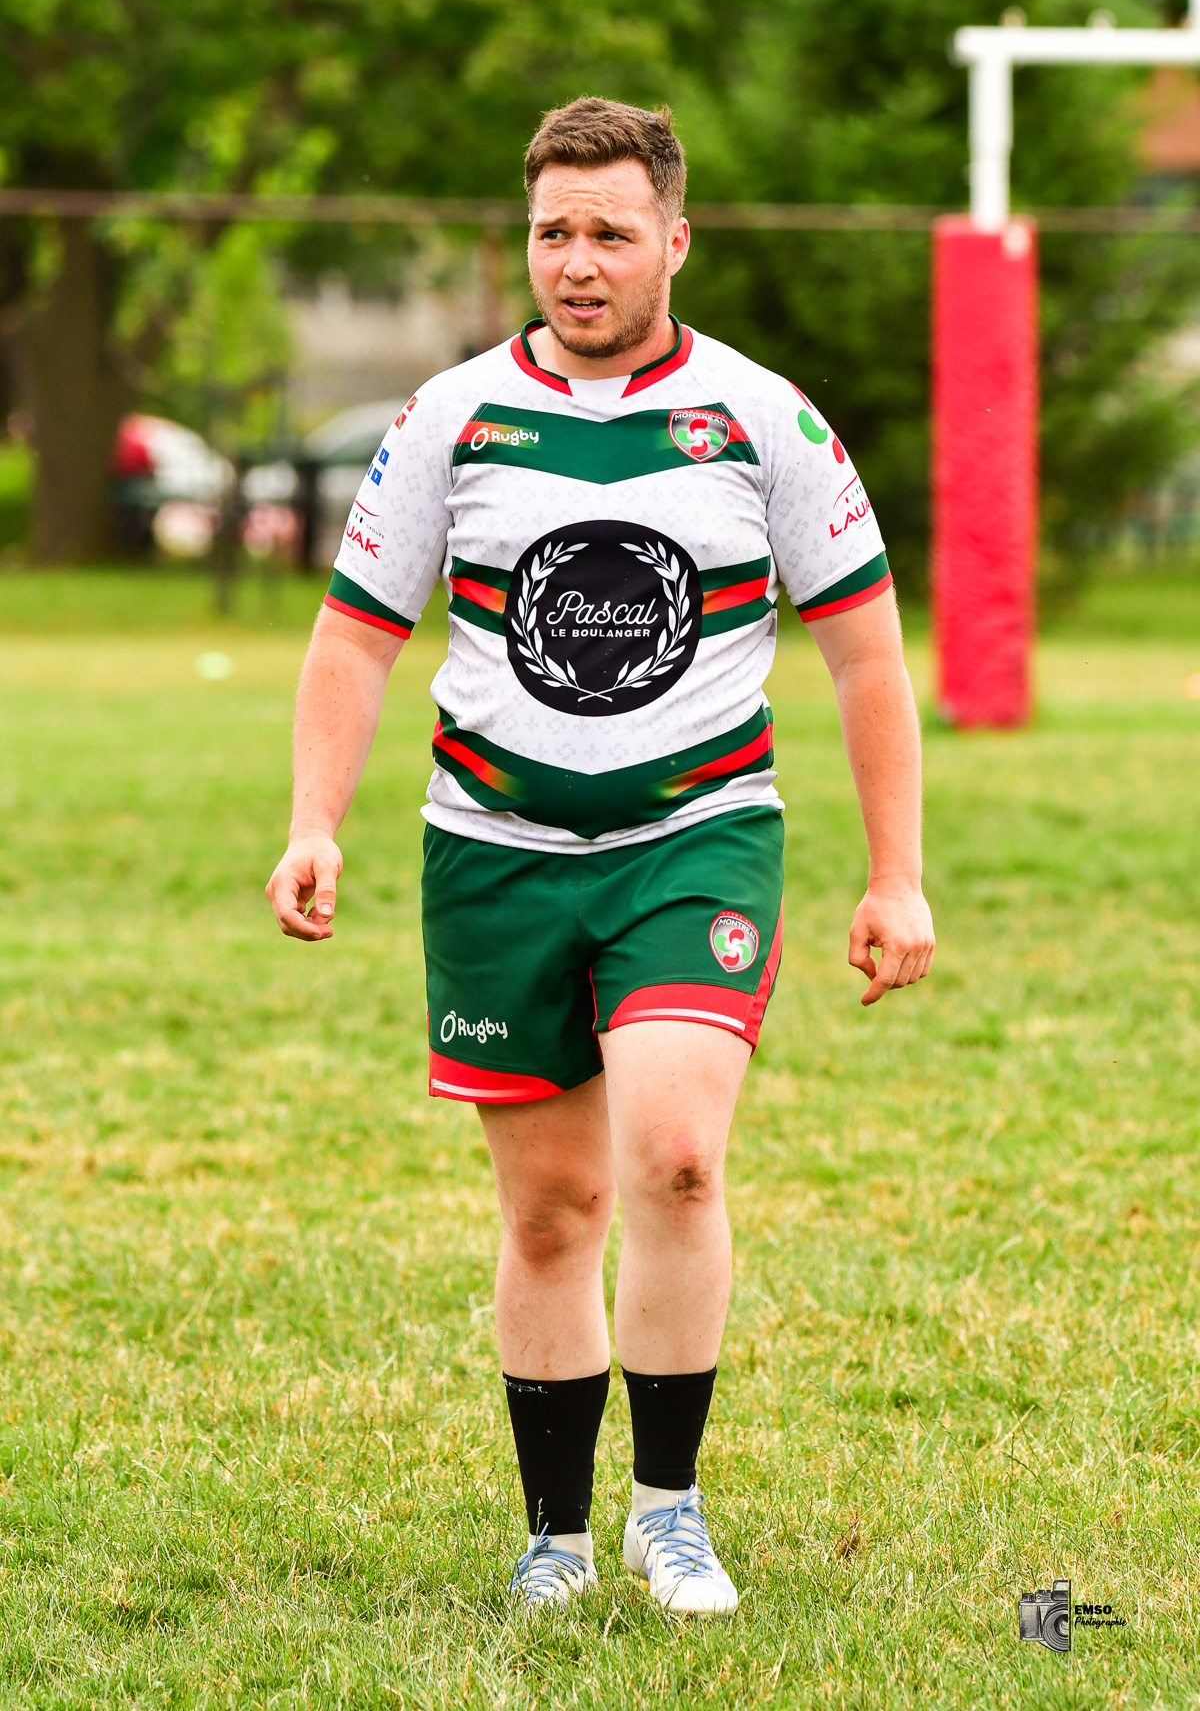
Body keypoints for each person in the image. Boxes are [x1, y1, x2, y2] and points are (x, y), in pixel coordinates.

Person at [266, 97, 935, 1616]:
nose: (577, 262)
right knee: (552, 1208)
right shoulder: (450, 418)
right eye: (553, 232)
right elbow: (356, 638)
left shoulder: (764, 417)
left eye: (611, 234)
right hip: (493, 851)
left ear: (675, 242)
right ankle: (556, 1536)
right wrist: (314, 821)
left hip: (694, 837)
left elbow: (867, 655)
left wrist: (895, 873)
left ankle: (669, 1514)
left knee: (678, 1159)